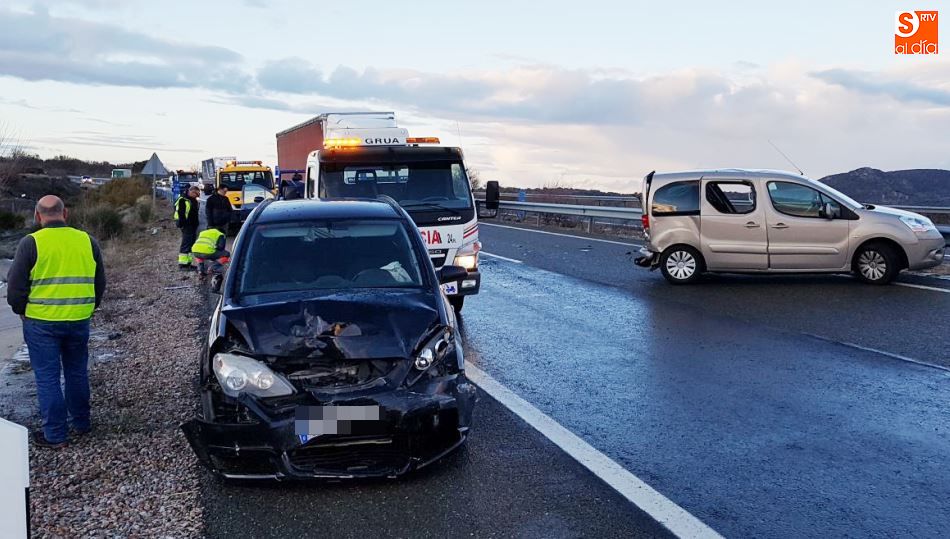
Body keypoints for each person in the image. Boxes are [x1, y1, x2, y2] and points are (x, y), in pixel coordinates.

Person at [6, 195, 106, 449]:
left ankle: (56, 435)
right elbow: (99, 282)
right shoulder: (87, 240)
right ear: (66, 213)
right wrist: (89, 307)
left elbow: (15, 287)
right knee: (76, 372)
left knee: (47, 377)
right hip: (79, 319)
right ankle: (82, 424)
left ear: (38, 216)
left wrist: (21, 310)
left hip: (41, 322)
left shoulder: (31, 243)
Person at [174, 186, 200, 269]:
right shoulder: (182, 200)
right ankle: (182, 265)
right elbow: (180, 213)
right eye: (196, 194)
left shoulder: (193, 200)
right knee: (186, 244)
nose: (197, 196)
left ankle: (189, 263)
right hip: (187, 226)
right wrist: (183, 224)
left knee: (191, 244)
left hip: (193, 225)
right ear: (191, 191)